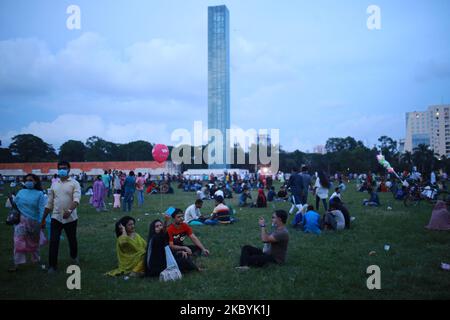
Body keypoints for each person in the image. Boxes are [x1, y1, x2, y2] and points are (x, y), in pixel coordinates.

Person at [41, 161, 81, 274]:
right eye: (60, 168)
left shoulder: (74, 183)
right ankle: (52, 266)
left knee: (72, 239)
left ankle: (73, 256)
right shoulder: (54, 184)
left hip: (71, 218)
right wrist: (43, 218)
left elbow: (76, 199)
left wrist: (69, 210)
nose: (61, 170)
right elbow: (49, 203)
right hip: (56, 217)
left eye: (64, 168)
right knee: (54, 241)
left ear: (69, 169)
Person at [9, 174, 47, 272]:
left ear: (35, 182)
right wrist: (11, 199)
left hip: (34, 222)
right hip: (20, 221)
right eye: (26, 180)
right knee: (18, 241)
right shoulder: (21, 192)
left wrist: (42, 221)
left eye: (30, 180)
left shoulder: (40, 194)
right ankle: (17, 263)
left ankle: (36, 260)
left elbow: (42, 208)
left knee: (34, 242)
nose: (28, 182)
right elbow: (15, 205)